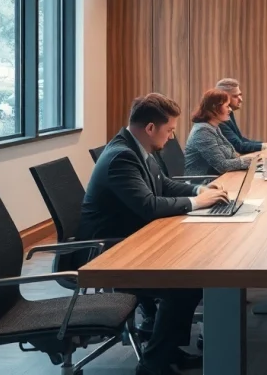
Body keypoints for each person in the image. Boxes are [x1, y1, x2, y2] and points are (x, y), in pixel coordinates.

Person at [77, 93, 230, 375]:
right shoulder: (122, 156)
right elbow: (148, 206)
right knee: (184, 284)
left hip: (132, 239)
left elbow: (164, 184)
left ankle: (168, 351)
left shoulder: (136, 147)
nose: (171, 137)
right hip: (108, 252)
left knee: (189, 278)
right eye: (169, 130)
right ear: (150, 128)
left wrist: (200, 189)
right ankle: (153, 364)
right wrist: (198, 203)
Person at [185, 87, 258, 176]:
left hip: (218, 177)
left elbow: (233, 155)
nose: (230, 110)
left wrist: (253, 159)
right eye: (227, 106)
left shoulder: (214, 127)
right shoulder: (203, 131)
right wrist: (249, 161)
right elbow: (221, 165)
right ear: (214, 108)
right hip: (205, 181)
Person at [215, 78, 267, 155]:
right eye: (235, 96)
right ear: (222, 97)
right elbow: (238, 146)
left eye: (240, 95)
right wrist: (264, 147)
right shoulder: (217, 118)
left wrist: (265, 145)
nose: (241, 99)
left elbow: (240, 139)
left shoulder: (228, 112)